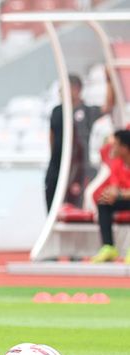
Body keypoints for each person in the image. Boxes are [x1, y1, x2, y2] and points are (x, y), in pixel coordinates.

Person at [47, 74, 102, 212]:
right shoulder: (57, 111)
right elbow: (52, 137)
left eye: (64, 88)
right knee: (52, 203)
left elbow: (107, 107)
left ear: (77, 89)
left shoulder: (87, 111)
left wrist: (109, 78)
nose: (61, 92)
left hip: (79, 168)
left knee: (76, 203)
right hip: (57, 166)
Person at [90, 130, 130, 263]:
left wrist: (118, 193)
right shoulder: (117, 163)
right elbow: (114, 185)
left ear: (124, 148)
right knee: (104, 201)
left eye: (116, 145)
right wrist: (111, 193)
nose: (113, 148)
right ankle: (108, 247)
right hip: (126, 198)